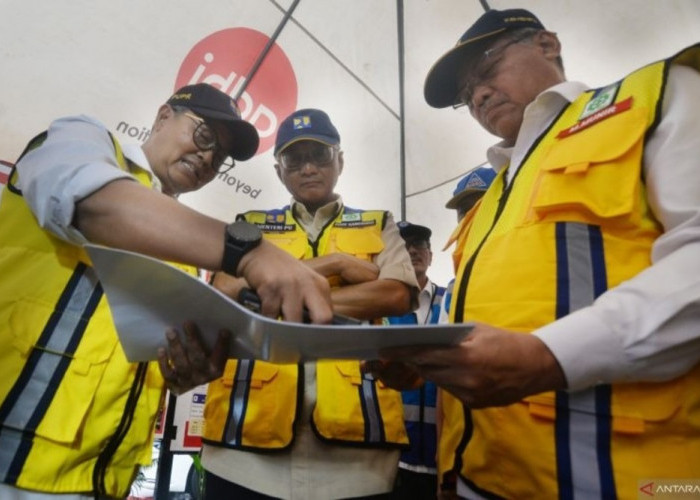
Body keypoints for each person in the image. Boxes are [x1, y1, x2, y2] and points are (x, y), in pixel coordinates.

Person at [370, 8, 700, 499]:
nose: (478, 96)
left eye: (485, 71)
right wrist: (428, 368)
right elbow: (506, 315)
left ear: (547, 45)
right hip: (477, 480)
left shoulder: (656, 97)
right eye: (467, 96)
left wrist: (548, 357)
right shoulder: (488, 201)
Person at [0, 84, 333, 499]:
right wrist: (249, 251)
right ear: (162, 117)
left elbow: (135, 359)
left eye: (221, 156)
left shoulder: (185, 251)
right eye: (204, 135)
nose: (208, 158)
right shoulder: (81, 138)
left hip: (102, 478)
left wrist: (181, 370)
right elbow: (97, 203)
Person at [200, 108, 418, 500]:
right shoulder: (249, 223)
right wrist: (334, 264)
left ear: (340, 161)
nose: (307, 168)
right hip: (243, 450)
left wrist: (274, 294)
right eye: (293, 159)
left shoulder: (377, 222)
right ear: (279, 169)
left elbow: (396, 294)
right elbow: (224, 292)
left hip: (357, 455)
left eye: (319, 155)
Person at [386, 222, 445, 500]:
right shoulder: (380, 307)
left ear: (431, 255)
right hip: (391, 456)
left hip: (441, 455)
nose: (412, 250)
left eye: (420, 244)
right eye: (404, 245)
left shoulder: (452, 300)